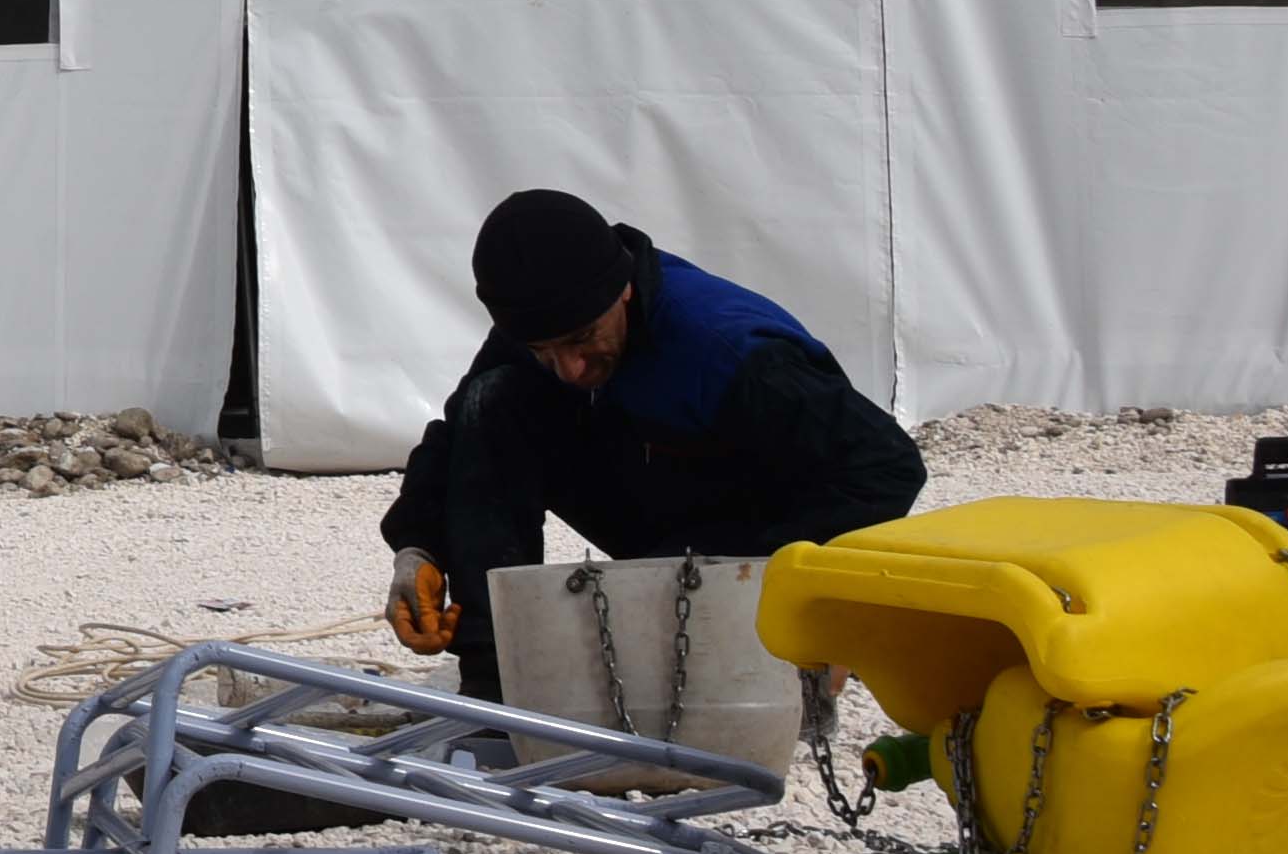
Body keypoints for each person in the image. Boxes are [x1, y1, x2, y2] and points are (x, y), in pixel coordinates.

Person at [374, 188, 927, 702]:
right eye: (544, 350)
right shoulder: (544, 322)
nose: (569, 369)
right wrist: (419, 547)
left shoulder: (732, 353)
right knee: (493, 399)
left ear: (625, 290)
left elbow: (887, 467)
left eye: (582, 340)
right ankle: (496, 685)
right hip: (660, 490)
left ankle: (785, 649)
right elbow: (459, 431)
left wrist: (760, 579)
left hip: (750, 522)